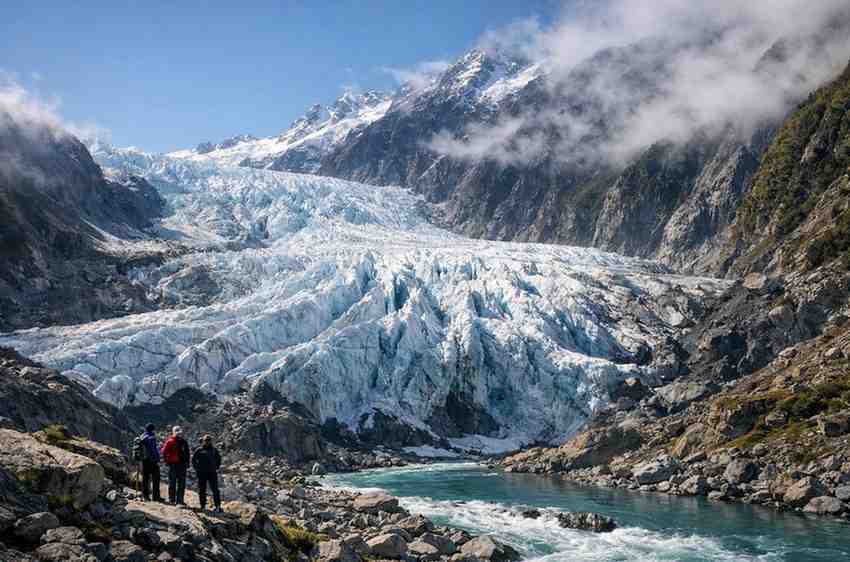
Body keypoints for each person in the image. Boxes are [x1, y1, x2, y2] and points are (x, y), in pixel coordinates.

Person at [160, 425, 190, 506]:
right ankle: (172, 499)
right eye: (177, 432)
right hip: (174, 464)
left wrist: (187, 463)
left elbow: (187, 453)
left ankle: (179, 500)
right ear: (174, 432)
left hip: (181, 465)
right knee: (173, 483)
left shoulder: (183, 442)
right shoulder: (170, 441)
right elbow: (164, 452)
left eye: (179, 432)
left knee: (181, 483)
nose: (178, 434)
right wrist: (167, 461)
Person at [192, 434, 222, 512]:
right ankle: (203, 505)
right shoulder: (199, 450)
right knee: (202, 489)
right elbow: (193, 460)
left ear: (211, 441)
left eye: (209, 440)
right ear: (203, 441)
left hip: (212, 472)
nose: (207, 442)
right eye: (206, 440)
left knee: (215, 489)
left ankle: (218, 506)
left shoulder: (214, 450)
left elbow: (219, 459)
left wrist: (216, 467)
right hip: (201, 473)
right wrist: (197, 468)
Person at [140, 423, 163, 502]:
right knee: (156, 478)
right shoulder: (151, 438)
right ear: (153, 430)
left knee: (145, 478)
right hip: (152, 461)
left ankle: (145, 496)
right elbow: (154, 450)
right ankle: (156, 497)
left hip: (144, 460)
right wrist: (158, 459)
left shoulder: (142, 436)